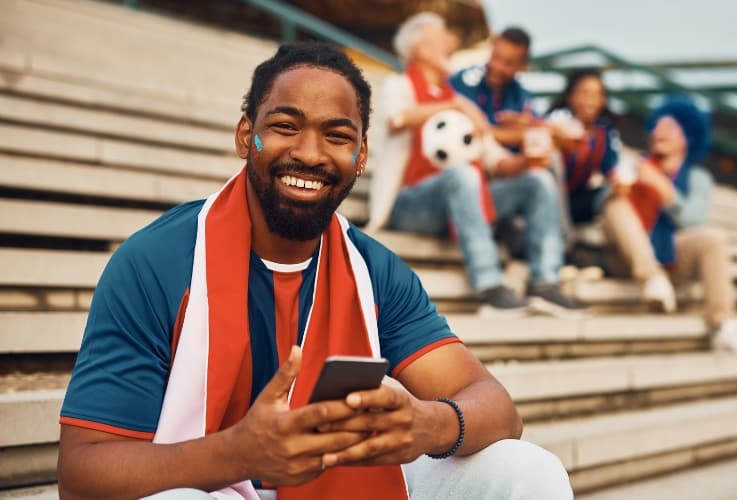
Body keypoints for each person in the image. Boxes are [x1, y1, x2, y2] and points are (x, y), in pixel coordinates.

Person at [56, 43, 573, 499]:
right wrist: (240, 454)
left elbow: (499, 410)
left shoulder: (374, 269)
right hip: (209, 485)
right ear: (245, 136)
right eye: (285, 126)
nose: (309, 154)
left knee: (525, 472)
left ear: (361, 154)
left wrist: (428, 423)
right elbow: (82, 473)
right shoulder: (156, 261)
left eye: (337, 135)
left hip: (341, 485)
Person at [369, 15, 585, 317]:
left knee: (539, 182)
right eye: (443, 37)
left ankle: (545, 282)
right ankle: (489, 287)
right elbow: (397, 120)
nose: (452, 43)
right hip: (408, 203)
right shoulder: (399, 85)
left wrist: (529, 161)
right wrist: (456, 107)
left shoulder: (457, 100)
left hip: (459, 197)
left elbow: (497, 161)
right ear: (419, 49)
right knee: (462, 174)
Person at [602, 94, 737, 353]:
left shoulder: (698, 178)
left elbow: (694, 220)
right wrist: (616, 188)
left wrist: (662, 188)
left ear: (687, 136)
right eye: (658, 125)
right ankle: (651, 276)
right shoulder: (633, 164)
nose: (660, 131)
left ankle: (724, 325)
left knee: (713, 238)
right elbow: (605, 211)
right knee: (615, 205)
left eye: (670, 127)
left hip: (673, 259)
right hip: (627, 256)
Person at [546, 68, 621, 227]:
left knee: (608, 195)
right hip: (550, 197)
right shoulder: (557, 124)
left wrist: (620, 183)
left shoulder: (603, 132)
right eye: (584, 93)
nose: (591, 100)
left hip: (577, 201)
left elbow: (610, 169)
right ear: (570, 97)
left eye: (597, 94)